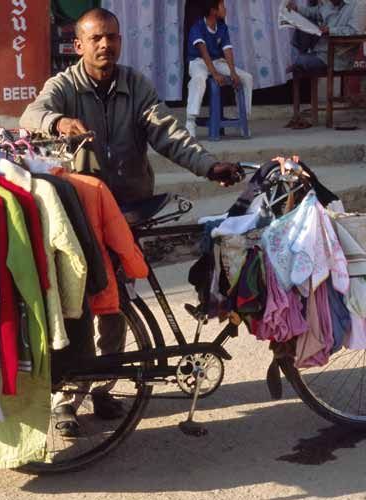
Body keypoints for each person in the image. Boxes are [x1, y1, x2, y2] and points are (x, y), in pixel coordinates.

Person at [20, 8, 243, 436]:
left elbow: (169, 134)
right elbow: (32, 115)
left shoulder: (135, 86)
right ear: (79, 45)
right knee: (78, 302)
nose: (106, 45)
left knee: (118, 301)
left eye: (113, 38)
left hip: (128, 208)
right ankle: (68, 398)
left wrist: (209, 166)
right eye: (97, 39)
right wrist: (57, 122)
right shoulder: (63, 86)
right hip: (82, 215)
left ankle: (106, 384)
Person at [185, 0, 255, 138]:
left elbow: (227, 50)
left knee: (247, 78)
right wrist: (215, 74)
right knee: (199, 79)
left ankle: (243, 119)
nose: (225, 9)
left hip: (216, 61)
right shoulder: (197, 27)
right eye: (222, 6)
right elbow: (204, 53)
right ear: (213, 10)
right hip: (198, 61)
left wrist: (233, 72)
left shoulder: (222, 27)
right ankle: (190, 121)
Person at [286, 0, 366, 74]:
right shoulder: (329, 3)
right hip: (321, 50)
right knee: (303, 21)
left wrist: (330, 31)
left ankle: (300, 61)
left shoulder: (358, 4)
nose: (330, 2)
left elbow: (356, 32)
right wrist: (297, 8)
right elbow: (315, 12)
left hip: (336, 58)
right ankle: (301, 58)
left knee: (298, 61)